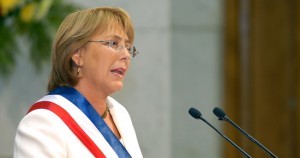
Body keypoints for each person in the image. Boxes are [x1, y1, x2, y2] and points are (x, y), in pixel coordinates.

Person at [13, 6, 143, 158]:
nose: (126, 55)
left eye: (128, 47)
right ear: (77, 54)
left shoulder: (119, 113)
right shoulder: (44, 121)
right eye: (113, 43)